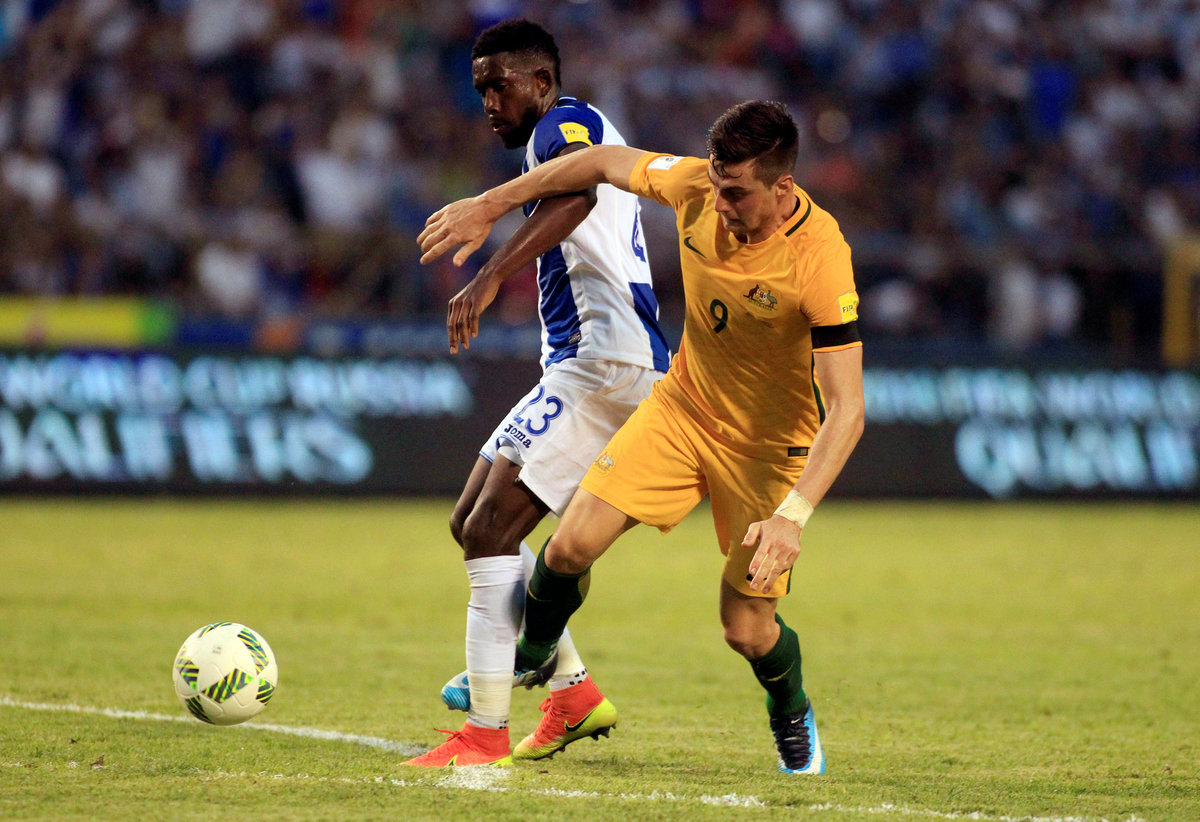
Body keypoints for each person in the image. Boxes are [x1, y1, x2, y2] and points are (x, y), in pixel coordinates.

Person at [418, 100, 864, 774]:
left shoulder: (820, 259)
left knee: (746, 630)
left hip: (768, 452)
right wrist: (490, 203)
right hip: (682, 411)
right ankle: (532, 655)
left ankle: (790, 706)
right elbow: (598, 162)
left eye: (737, 193)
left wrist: (791, 516)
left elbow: (848, 409)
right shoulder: (696, 186)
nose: (719, 203)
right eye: (716, 184)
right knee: (569, 547)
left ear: (783, 188)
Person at [403, 19, 670, 767]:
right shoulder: (547, 141)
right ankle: (573, 694)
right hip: (584, 365)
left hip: (605, 364)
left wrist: (490, 275)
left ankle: (484, 733)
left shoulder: (566, 125)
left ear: (543, 82)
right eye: (480, 89)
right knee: (472, 521)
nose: (489, 102)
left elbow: (579, 193)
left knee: (492, 528)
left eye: (500, 85)